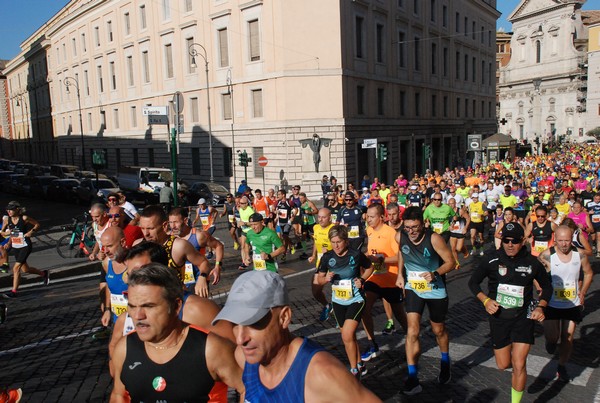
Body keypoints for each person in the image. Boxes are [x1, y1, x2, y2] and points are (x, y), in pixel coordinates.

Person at [212, 270, 381, 402]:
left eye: (254, 323)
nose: (241, 339)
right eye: (234, 324)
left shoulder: (321, 374)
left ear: (284, 317)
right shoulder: (243, 357)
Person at [110, 263, 244, 402]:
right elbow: (118, 395)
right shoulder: (124, 348)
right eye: (132, 306)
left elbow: (248, 388)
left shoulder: (210, 349)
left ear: (176, 306)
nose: (138, 315)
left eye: (148, 306)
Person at [468, 222, 552, 403]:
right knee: (502, 364)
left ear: (522, 241)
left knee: (519, 364)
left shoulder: (532, 262)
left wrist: (541, 306)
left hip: (523, 317)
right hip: (499, 318)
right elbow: (473, 283)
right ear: (502, 240)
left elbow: (547, 287)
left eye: (514, 241)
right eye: (506, 240)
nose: (510, 244)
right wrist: (486, 300)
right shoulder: (491, 259)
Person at [396, 206, 455, 395]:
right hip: (414, 287)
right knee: (412, 330)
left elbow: (451, 262)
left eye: (415, 227)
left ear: (423, 224)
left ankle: (445, 361)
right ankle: (413, 377)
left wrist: (435, 273)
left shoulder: (434, 238)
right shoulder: (400, 236)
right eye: (407, 227)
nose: (411, 232)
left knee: (438, 330)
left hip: (435, 289)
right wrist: (399, 274)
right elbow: (401, 253)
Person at [316, 225, 373, 379]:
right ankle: (360, 362)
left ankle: (354, 371)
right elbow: (319, 280)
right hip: (338, 301)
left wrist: (362, 279)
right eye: (333, 242)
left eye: (339, 242)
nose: (336, 245)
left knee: (347, 335)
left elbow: (370, 268)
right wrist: (326, 279)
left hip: (356, 299)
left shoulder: (355, 254)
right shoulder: (327, 257)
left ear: (346, 241)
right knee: (349, 336)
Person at [539, 226, 593, 382]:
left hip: (572, 304)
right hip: (552, 304)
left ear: (572, 240)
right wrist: (540, 288)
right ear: (555, 239)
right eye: (560, 240)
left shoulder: (580, 255)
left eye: (567, 241)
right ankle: (550, 343)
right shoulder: (546, 255)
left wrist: (582, 292)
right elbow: (536, 273)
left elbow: (589, 273)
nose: (564, 244)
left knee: (567, 338)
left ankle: (562, 366)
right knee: (552, 337)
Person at [360, 204, 408, 363]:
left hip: (391, 279)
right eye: (367, 216)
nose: (368, 219)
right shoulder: (369, 230)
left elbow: (399, 257)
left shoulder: (391, 233)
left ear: (381, 217)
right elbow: (371, 251)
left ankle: (412, 336)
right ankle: (371, 343)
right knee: (364, 307)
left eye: (372, 216)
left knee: (399, 313)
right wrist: (363, 257)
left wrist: (381, 259)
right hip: (374, 277)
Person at [137, 205, 218, 297]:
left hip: (174, 302)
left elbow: (204, 262)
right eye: (142, 228)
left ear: (164, 226)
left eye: (150, 228)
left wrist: (202, 277)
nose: (146, 233)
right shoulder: (138, 246)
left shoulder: (178, 246)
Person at [0, 201, 48, 298]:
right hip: (16, 246)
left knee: (16, 268)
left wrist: (31, 232)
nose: (9, 211)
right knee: (25, 269)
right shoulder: (7, 220)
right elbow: (3, 232)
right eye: (8, 209)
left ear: (17, 209)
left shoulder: (24, 218)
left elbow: (37, 224)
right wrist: (9, 239)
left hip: (25, 246)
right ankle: (44, 274)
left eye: (11, 209)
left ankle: (14, 292)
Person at [168, 207, 224, 288]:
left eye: (176, 222)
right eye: (170, 222)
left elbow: (218, 246)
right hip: (178, 283)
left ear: (185, 220)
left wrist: (217, 266)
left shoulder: (199, 236)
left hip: (199, 280)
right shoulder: (169, 237)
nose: (173, 226)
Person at [308, 208, 335, 321]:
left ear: (330, 217)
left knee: (337, 290)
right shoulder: (316, 227)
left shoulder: (334, 229)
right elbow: (316, 241)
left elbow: (340, 245)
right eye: (319, 217)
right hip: (321, 263)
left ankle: (341, 315)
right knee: (316, 290)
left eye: (323, 217)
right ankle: (327, 305)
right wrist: (313, 255)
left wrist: (329, 251)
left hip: (333, 262)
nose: (320, 219)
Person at [237, 196, 255, 270]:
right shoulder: (241, 209)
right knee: (242, 246)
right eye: (240, 203)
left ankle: (253, 260)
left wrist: (243, 223)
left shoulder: (250, 211)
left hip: (251, 231)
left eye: (242, 203)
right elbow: (241, 218)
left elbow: (253, 223)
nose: (240, 205)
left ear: (246, 203)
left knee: (251, 247)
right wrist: (239, 223)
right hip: (244, 231)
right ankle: (244, 262)